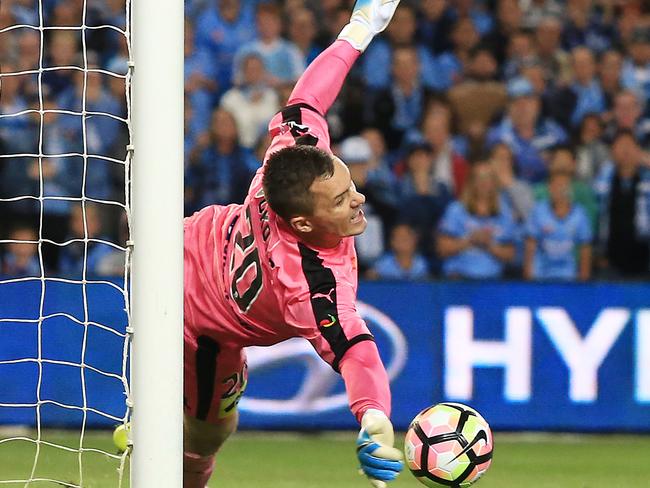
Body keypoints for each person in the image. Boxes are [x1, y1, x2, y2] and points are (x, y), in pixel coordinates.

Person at [183, 2, 405, 487]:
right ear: (304, 225)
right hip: (201, 327)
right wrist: (374, 420)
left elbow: (308, 97)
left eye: (351, 185)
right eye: (343, 200)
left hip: (174, 245)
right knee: (207, 438)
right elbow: (357, 353)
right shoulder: (310, 282)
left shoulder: (292, 154)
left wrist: (360, 28)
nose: (359, 199)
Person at [436, 161, 516, 279]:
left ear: (494, 182)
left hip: (493, 282)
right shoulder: (456, 210)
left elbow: (510, 255)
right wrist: (470, 240)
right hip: (458, 279)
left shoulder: (505, 213)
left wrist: (489, 245)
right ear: (471, 182)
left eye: (488, 178)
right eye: (479, 178)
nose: (483, 183)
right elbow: (442, 249)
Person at [524, 171, 593, 281]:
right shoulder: (538, 211)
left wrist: (583, 278)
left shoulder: (579, 213)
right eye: (556, 185)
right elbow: (530, 245)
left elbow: (585, 247)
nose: (560, 190)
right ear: (549, 188)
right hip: (540, 276)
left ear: (570, 189)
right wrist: (528, 276)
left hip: (568, 277)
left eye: (563, 185)